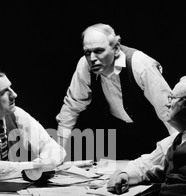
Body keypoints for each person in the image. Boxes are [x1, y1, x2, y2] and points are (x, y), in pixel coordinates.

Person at [56, 23, 175, 161]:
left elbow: (169, 114)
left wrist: (178, 154)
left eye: (99, 51)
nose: (92, 58)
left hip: (156, 137)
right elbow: (71, 108)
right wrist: (58, 154)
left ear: (116, 48)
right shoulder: (85, 65)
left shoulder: (140, 64)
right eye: (87, 52)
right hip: (121, 140)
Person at [0, 69, 66, 180]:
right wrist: (33, 167)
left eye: (10, 88)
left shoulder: (16, 113)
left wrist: (39, 165)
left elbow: (55, 149)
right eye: (4, 92)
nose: (14, 94)